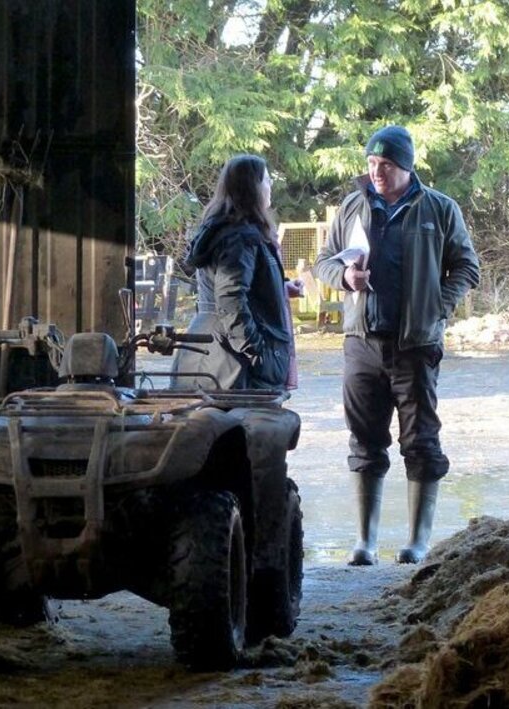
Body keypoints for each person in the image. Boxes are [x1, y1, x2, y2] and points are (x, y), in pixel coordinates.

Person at [313, 125, 480, 565]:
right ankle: (364, 542)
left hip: (414, 345)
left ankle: (417, 542)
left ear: (406, 165)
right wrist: (344, 277)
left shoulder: (439, 209)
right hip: (361, 342)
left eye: (385, 165)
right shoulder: (352, 207)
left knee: (420, 440)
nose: (377, 172)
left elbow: (466, 266)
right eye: (371, 164)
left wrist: (436, 307)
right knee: (364, 441)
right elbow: (324, 263)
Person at [172, 154, 297, 391]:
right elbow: (230, 298)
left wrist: (279, 288)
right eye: (267, 180)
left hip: (210, 346)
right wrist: (254, 350)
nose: (271, 187)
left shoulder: (222, 230)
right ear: (253, 188)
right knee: (239, 425)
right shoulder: (241, 237)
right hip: (231, 360)